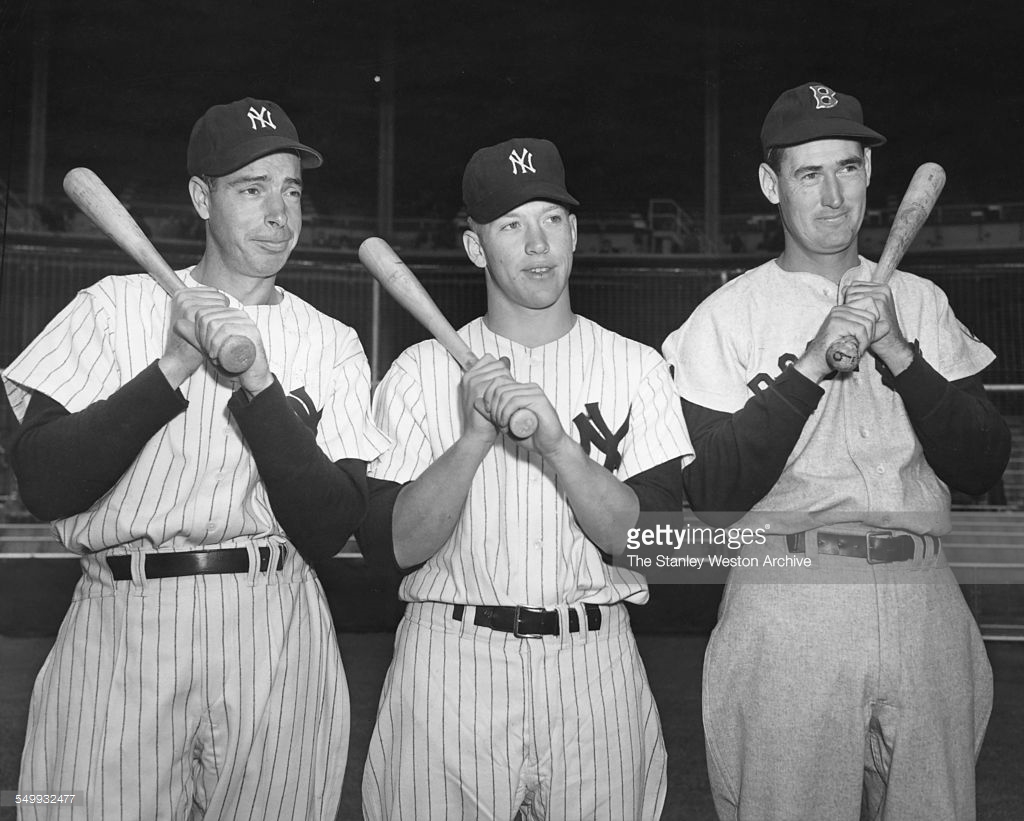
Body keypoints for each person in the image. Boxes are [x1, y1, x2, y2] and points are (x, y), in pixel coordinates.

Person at [2, 97, 389, 819]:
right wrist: (169, 369)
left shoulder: (331, 340)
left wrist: (259, 388)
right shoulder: (112, 306)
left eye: (292, 189)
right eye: (252, 188)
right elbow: (43, 482)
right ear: (200, 198)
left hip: (277, 624)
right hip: (123, 618)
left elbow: (329, 525)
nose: (279, 211)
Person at [662, 82, 1011, 820]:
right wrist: (812, 365)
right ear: (771, 184)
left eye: (847, 168)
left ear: (869, 176)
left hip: (924, 599)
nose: (832, 195)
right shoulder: (723, 319)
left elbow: (983, 462)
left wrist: (897, 350)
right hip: (788, 602)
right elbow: (714, 492)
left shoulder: (921, 304)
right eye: (808, 173)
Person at [358, 137, 693, 821]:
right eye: (511, 225)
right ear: (477, 247)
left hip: (593, 660)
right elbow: (388, 545)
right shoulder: (421, 371)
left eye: (550, 219)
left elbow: (656, 541)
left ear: (573, 234)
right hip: (451, 658)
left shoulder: (636, 367)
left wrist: (561, 449)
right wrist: (473, 439)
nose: (537, 242)